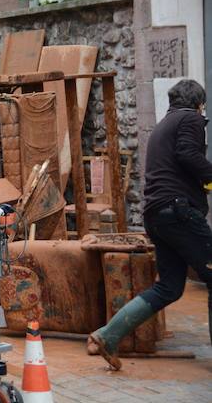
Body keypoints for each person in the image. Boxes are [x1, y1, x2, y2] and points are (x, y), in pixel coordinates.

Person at [88, 79, 212, 370]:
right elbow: (189, 155)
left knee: (170, 287)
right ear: (198, 103)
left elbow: (181, 162)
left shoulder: (163, 127)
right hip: (178, 211)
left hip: (157, 215)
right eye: (202, 106)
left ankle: (108, 335)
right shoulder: (191, 119)